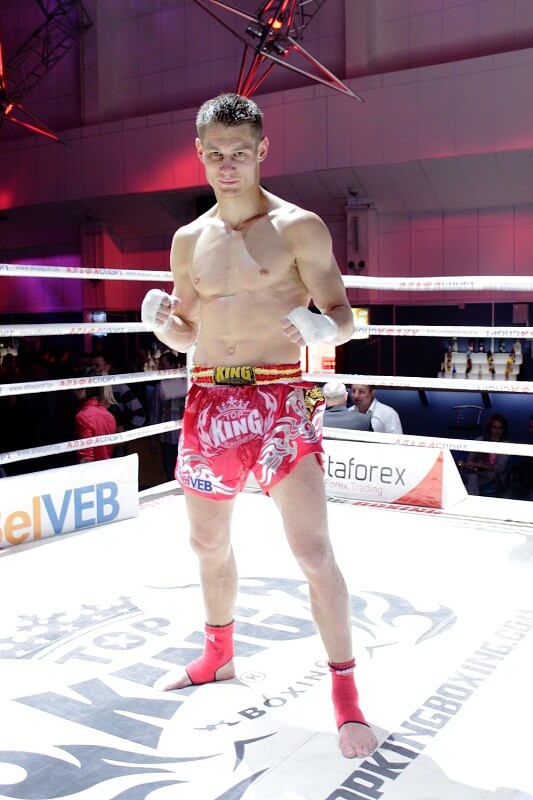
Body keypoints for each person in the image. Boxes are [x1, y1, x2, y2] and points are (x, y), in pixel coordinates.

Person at [140, 92, 377, 759]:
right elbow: (187, 332)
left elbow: (345, 316)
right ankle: (217, 656)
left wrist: (321, 327)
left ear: (262, 151)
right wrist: (163, 327)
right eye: (215, 154)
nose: (227, 165)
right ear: (199, 153)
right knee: (205, 544)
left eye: (239, 153)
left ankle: (346, 698)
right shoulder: (189, 240)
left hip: (281, 398)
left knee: (313, 553)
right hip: (209, 397)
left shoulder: (300, 227)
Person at [148, 350, 187, 481]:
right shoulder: (160, 387)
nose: (160, 368)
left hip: (185, 437)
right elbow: (155, 412)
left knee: (186, 472)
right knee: (170, 473)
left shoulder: (187, 383)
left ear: (173, 365)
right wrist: (153, 438)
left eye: (163, 365)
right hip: (167, 438)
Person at [73, 370, 117, 462]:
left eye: (76, 386)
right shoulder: (110, 416)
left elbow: (86, 457)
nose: (73, 391)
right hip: (107, 467)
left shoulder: (83, 417)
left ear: (84, 389)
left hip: (91, 469)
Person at [461, 413, 510, 496]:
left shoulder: (506, 444)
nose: (497, 431)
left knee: (474, 483)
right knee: (472, 477)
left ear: (504, 430)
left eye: (500, 428)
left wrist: (478, 464)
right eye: (494, 427)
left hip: (492, 477)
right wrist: (471, 465)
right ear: (489, 428)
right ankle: (472, 496)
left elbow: (499, 469)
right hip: (474, 473)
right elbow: (469, 460)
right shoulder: (479, 440)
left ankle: (465, 490)